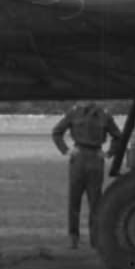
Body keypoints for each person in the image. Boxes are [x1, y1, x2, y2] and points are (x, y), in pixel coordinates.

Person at [50, 100, 113, 248]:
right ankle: (73, 237)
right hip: (78, 158)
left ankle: (95, 238)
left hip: (95, 158)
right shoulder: (74, 113)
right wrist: (67, 150)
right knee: (74, 200)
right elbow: (57, 132)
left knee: (95, 202)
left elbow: (118, 136)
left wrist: (109, 152)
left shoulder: (104, 115)